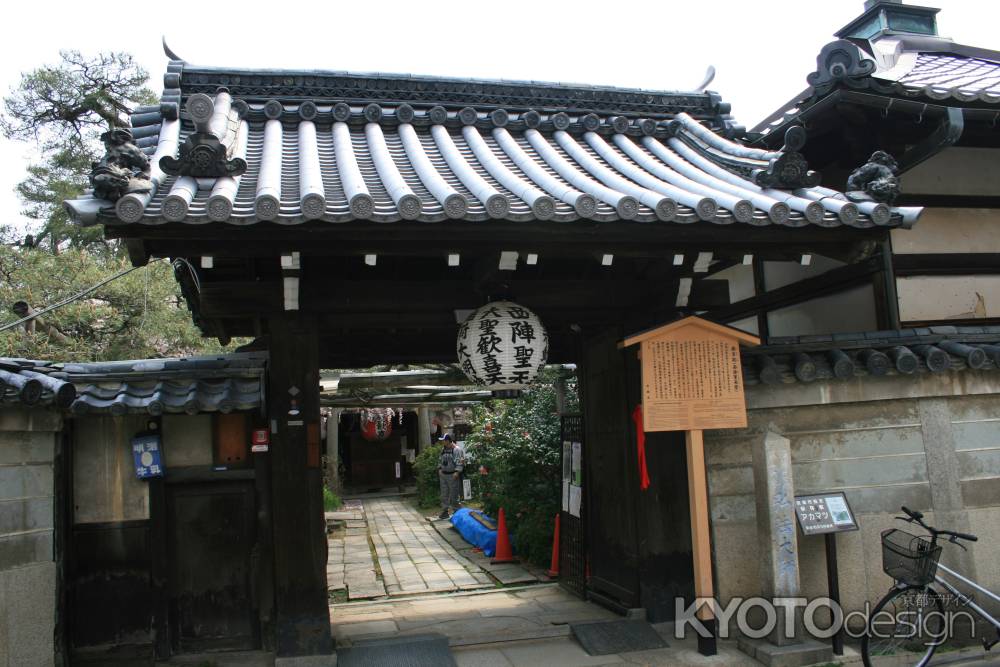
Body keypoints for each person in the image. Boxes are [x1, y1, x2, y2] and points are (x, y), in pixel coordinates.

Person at [438, 434, 464, 519]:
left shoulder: (456, 449)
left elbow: (460, 461)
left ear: (448, 440)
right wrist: (439, 469)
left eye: (443, 440)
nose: (442, 442)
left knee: (454, 494)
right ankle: (445, 511)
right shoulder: (443, 449)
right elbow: (440, 460)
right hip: (443, 474)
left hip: (452, 474)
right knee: (444, 494)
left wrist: (457, 472)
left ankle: (457, 512)